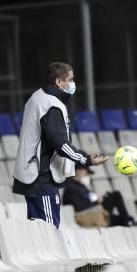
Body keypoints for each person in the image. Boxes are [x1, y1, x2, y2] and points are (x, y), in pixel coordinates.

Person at [12, 61, 107, 228]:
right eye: (70, 80)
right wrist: (87, 160)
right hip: (41, 176)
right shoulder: (51, 105)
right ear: (58, 82)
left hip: (34, 174)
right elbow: (61, 144)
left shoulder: (37, 97)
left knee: (38, 230)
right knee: (48, 229)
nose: (72, 84)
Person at [63, 163, 137, 228]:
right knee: (116, 196)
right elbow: (80, 208)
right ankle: (127, 221)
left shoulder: (81, 186)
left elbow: (90, 198)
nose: (86, 175)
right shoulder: (71, 187)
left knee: (124, 218)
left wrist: (99, 200)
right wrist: (97, 202)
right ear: (78, 171)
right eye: (85, 172)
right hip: (89, 214)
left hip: (94, 210)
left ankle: (128, 221)